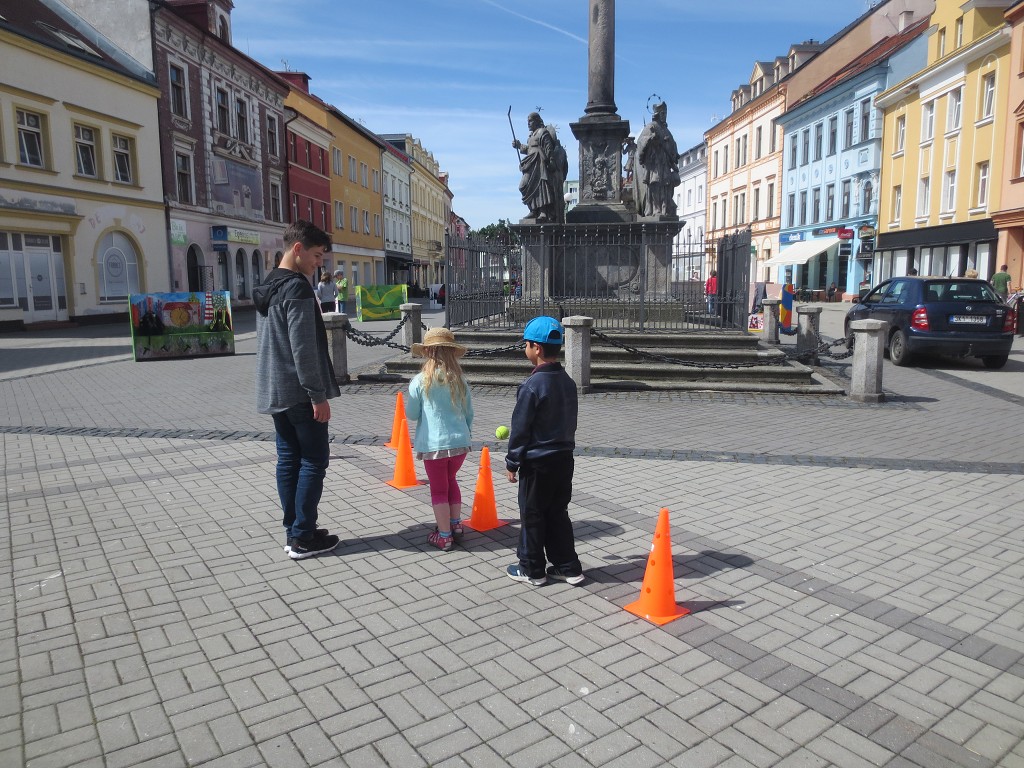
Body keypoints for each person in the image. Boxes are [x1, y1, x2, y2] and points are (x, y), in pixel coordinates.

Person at [253, 220, 341, 560]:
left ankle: (294, 530)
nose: (320, 263)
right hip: (301, 392)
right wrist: (317, 395)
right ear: (298, 249)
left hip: (274, 389)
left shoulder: (268, 286)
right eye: (317, 256)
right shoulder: (298, 290)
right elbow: (303, 348)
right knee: (314, 461)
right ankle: (304, 536)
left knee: (288, 459)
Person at [504, 316, 583, 586]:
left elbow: (520, 429)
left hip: (537, 463)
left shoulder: (531, 386)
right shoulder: (568, 382)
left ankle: (531, 568)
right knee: (558, 512)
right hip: (564, 459)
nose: (525, 349)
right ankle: (568, 566)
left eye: (526, 344)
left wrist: (512, 462)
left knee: (533, 515)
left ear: (536, 348)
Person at [405, 328, 474, 551]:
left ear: (426, 351)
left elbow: (412, 414)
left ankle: (444, 535)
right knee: (451, 480)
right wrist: (466, 434)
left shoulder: (420, 382)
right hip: (460, 443)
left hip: (435, 446)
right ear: (453, 352)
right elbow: (469, 413)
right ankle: (456, 524)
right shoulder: (460, 380)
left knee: (438, 489)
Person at [513, 112, 568, 223]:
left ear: (537, 121)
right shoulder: (531, 136)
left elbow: (549, 148)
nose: (528, 124)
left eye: (531, 121)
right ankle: (533, 210)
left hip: (540, 164)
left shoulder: (542, 132)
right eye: (527, 121)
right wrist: (519, 146)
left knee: (541, 188)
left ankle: (542, 211)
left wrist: (551, 162)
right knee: (523, 186)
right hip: (530, 164)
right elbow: (529, 149)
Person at [634, 101, 680, 217]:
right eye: (662, 113)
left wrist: (675, 153)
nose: (664, 116)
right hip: (654, 164)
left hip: (664, 164)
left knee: (666, 186)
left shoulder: (666, 130)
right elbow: (641, 142)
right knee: (655, 184)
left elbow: (673, 145)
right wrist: (650, 139)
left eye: (665, 113)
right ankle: (656, 208)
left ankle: (665, 208)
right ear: (657, 114)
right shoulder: (651, 126)